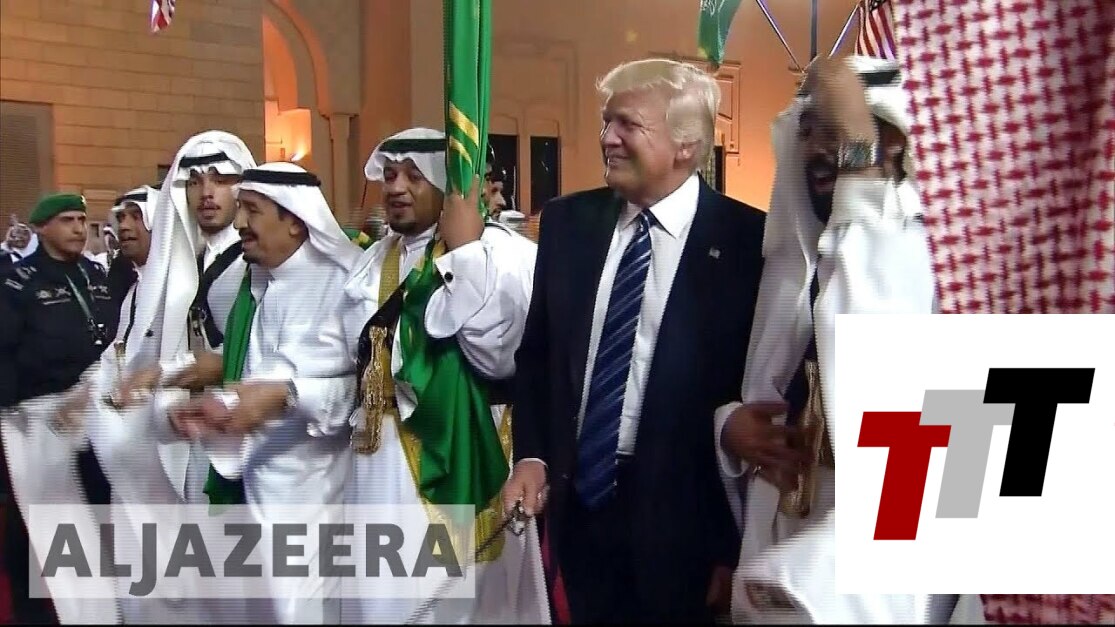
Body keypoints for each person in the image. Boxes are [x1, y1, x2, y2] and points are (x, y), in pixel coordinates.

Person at [502, 58, 767, 622]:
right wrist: (531, 455)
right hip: (577, 511)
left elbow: (747, 392)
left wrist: (729, 546)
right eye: (606, 122)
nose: (607, 138)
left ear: (686, 146)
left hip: (686, 534)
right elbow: (538, 357)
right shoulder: (568, 224)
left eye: (628, 125)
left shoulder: (749, 242)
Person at [714, 55, 960, 623]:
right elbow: (758, 396)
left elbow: (890, 411)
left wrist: (862, 171)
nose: (817, 150)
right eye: (806, 132)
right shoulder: (793, 271)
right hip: (780, 557)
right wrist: (730, 428)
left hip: (872, 587)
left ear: (900, 144)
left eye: (837, 132)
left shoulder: (948, 267)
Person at [335, 127, 547, 624]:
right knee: (380, 597)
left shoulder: (503, 253)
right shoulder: (374, 258)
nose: (396, 187)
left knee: (457, 598)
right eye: (390, 175)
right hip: (377, 460)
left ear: (445, 186)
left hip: (458, 450)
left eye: (413, 176)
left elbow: (500, 357)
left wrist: (464, 253)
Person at [165, 162, 363, 624]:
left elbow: (350, 390)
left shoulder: (339, 284)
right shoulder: (264, 285)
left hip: (314, 494)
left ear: (295, 219)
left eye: (251, 210)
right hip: (260, 487)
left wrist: (283, 396)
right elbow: (263, 375)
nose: (239, 223)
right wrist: (219, 407)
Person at [0, 193, 120, 624]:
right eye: (67, 220)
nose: (78, 228)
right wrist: (12, 411)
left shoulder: (96, 275)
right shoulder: (17, 282)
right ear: (42, 227)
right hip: (37, 415)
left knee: (96, 511)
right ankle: (36, 612)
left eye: (83, 220)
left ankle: (102, 608)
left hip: (96, 410)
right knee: (37, 521)